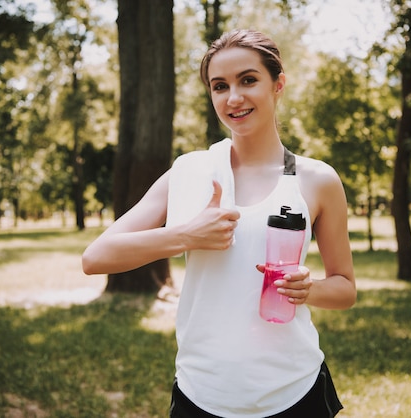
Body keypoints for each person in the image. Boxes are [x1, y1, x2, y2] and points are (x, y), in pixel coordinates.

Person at [82, 29, 356, 418]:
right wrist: (184, 235)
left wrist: (307, 289)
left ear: (278, 84)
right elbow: (95, 257)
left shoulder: (318, 180)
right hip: (202, 392)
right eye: (219, 86)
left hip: (295, 392)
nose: (234, 97)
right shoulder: (189, 171)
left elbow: (345, 289)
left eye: (248, 80)